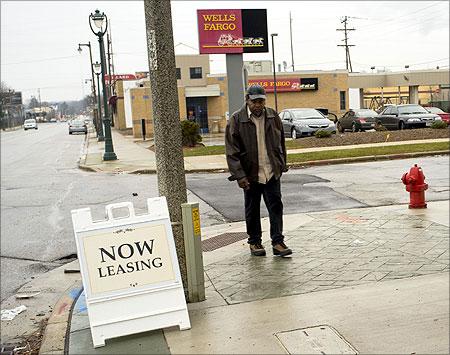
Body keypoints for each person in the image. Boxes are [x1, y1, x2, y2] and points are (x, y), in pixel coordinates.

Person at [225, 85, 292, 257]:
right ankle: (254, 242)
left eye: (261, 101)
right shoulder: (236, 119)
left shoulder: (273, 116)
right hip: (250, 174)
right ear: (247, 100)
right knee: (252, 209)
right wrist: (239, 175)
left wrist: (281, 163)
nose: (258, 105)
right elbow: (232, 151)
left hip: (271, 171)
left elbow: (281, 143)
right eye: (254, 101)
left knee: (276, 207)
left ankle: (277, 242)